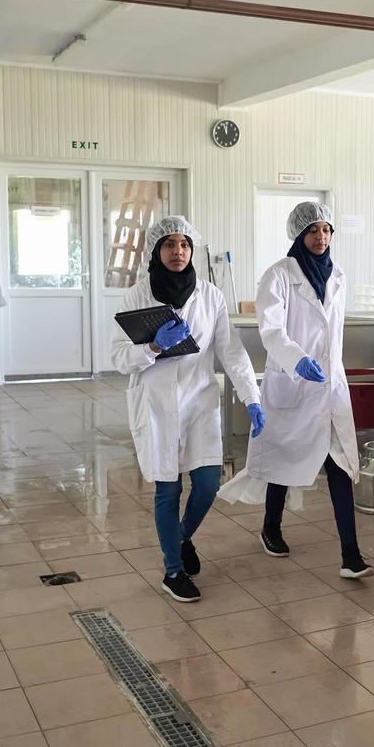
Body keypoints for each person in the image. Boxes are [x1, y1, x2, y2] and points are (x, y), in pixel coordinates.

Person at [111, 216, 264, 603]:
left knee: (209, 483)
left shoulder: (211, 296)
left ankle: (179, 539)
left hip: (199, 401)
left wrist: (252, 397)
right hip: (156, 403)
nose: (177, 251)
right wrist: (153, 348)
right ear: (155, 251)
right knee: (168, 488)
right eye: (168, 244)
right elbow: (117, 356)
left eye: (184, 244)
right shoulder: (138, 295)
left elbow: (231, 352)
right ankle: (172, 570)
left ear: (192, 250)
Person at [218, 201, 373, 578]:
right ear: (299, 234)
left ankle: (350, 555)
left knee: (339, 465)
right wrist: (298, 359)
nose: (320, 237)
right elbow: (271, 331)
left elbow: (334, 332)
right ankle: (271, 526)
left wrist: (329, 367)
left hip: (330, 387)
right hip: (291, 382)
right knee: (282, 461)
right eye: (313, 231)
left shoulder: (338, 274)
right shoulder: (278, 276)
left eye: (326, 230)